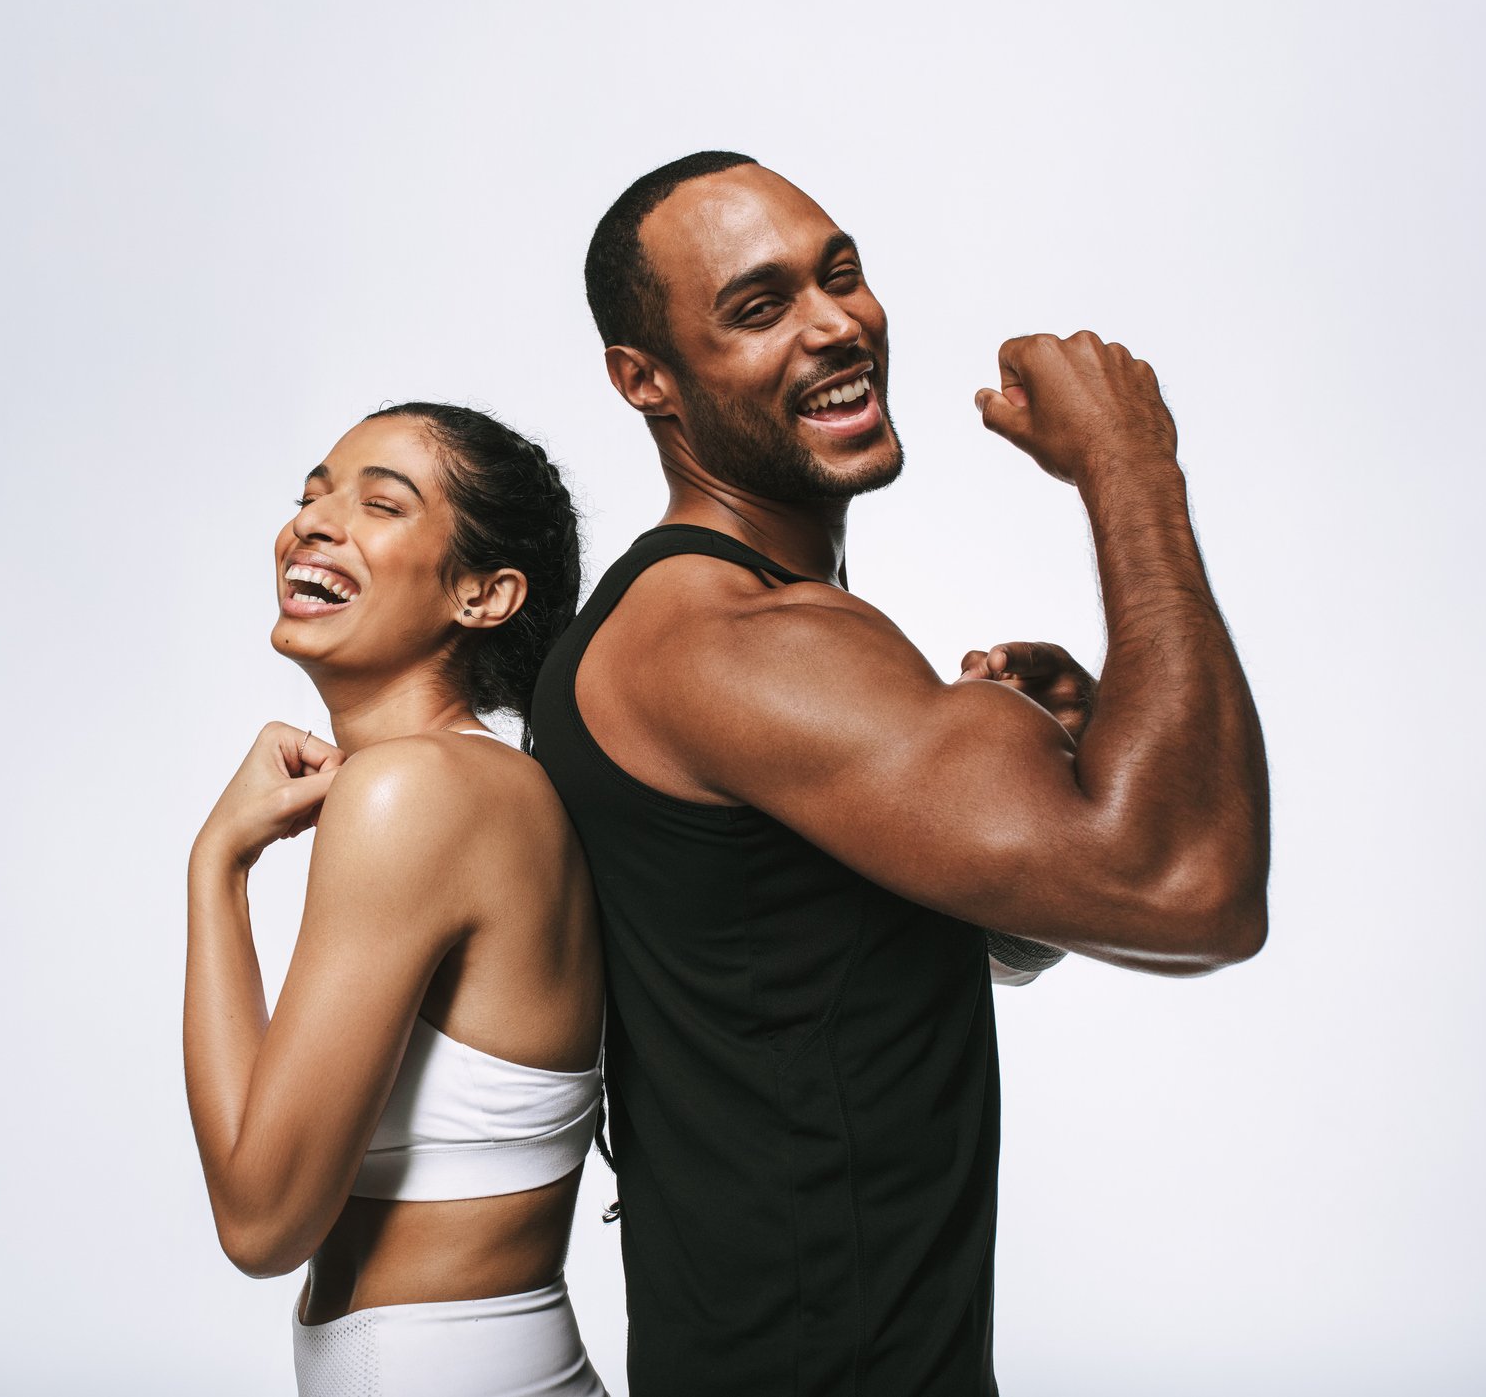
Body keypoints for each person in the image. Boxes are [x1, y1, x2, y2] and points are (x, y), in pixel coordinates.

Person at [527, 151, 1270, 1394]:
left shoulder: (739, 625)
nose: (833, 328)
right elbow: (1195, 893)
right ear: (643, 379)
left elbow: (975, 937)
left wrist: (1075, 784)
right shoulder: (735, 641)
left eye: (841, 276)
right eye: (758, 308)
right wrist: (1131, 472)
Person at [185, 402, 611, 1396]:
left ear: (483, 593)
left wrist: (217, 870)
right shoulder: (480, 786)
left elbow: (261, 1223)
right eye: (310, 496)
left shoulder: (411, 793)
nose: (314, 523)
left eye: (379, 504)